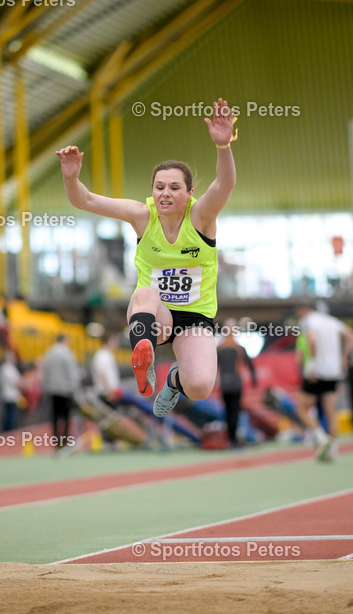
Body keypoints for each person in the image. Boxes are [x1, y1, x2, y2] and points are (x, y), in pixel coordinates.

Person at [57, 98, 236, 420]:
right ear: (152, 191)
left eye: (174, 187)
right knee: (144, 293)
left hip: (195, 317)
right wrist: (71, 178)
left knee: (199, 387)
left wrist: (223, 146)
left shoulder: (201, 217)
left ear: (189, 193)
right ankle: (145, 354)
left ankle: (174, 380)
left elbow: (225, 184)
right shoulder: (142, 216)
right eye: (159, 187)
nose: (165, 193)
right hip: (155, 314)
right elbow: (85, 200)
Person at [295, 303, 353, 461]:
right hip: (334, 371)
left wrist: (313, 363)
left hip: (318, 371)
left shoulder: (309, 321)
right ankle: (333, 448)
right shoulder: (332, 321)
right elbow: (351, 336)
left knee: (302, 408)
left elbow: (312, 340)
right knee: (331, 412)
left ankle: (321, 437)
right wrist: (344, 357)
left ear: (304, 310)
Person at [216, 319, 257, 447]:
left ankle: (231, 439)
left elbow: (212, 367)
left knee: (228, 412)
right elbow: (251, 367)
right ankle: (233, 440)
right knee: (235, 411)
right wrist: (254, 382)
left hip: (224, 383)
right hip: (235, 383)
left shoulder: (219, 348)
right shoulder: (239, 348)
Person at [41, 334, 80, 450]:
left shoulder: (49, 353)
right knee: (66, 416)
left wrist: (46, 387)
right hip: (66, 390)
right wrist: (75, 388)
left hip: (52, 390)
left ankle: (56, 441)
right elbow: (72, 373)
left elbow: (45, 372)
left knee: (55, 416)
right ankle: (65, 441)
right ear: (65, 340)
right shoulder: (67, 354)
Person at [91, 333, 122, 405]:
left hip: (111, 392)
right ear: (109, 341)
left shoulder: (107, 354)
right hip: (108, 393)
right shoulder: (103, 356)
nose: (116, 344)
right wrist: (110, 392)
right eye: (114, 341)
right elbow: (104, 374)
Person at [0, 351, 22, 432]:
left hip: (6, 395)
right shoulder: (9, 369)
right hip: (11, 396)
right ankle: (9, 433)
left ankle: (8, 432)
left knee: (9, 415)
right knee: (10, 416)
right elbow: (17, 383)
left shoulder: (3, 368)